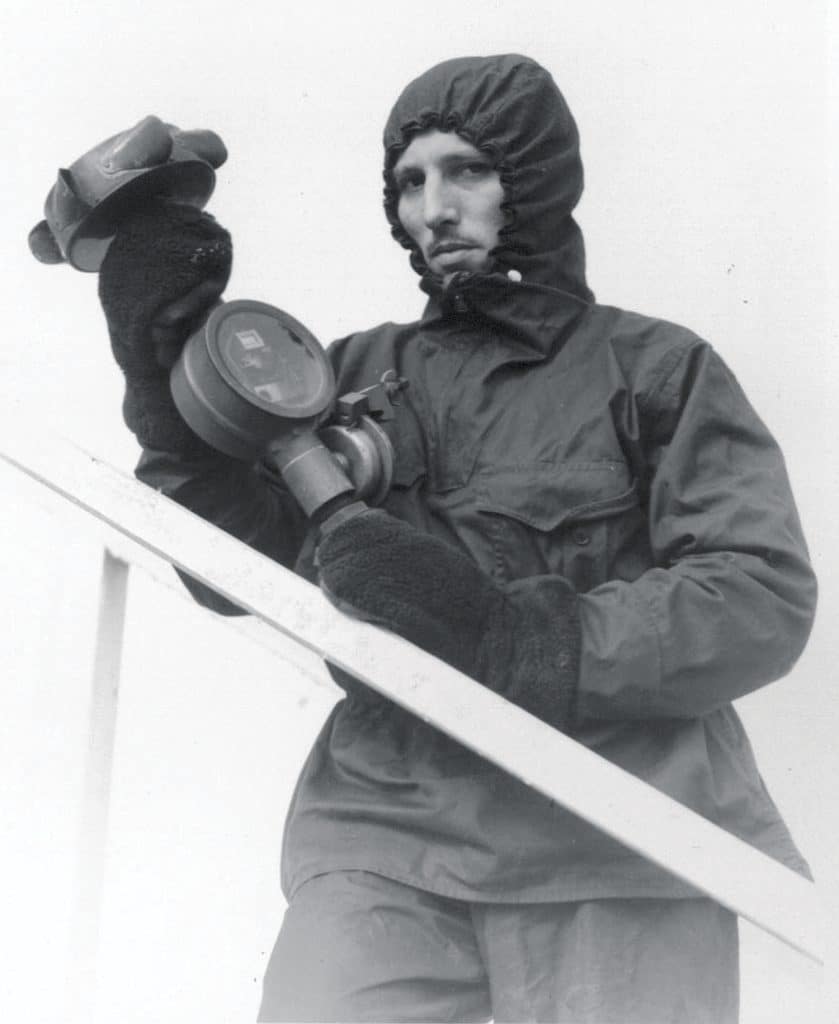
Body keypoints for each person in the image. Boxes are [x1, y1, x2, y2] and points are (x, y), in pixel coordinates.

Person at [93, 55, 815, 1023]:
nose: (433, 207)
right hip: (387, 828)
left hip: (616, 836)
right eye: (409, 181)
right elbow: (233, 569)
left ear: (534, 177)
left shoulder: (653, 366)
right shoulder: (347, 374)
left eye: (465, 170)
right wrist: (166, 396)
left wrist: (517, 637)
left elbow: (757, 594)